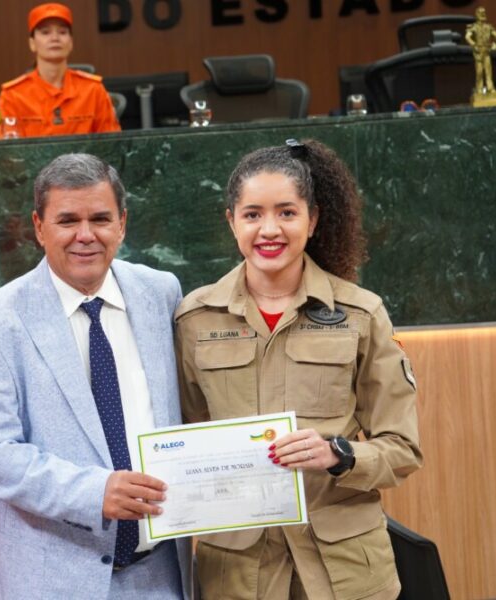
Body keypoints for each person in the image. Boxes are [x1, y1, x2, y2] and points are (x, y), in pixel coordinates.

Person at [175, 139, 423, 600]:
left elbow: (402, 448)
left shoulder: (361, 313)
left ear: (312, 220)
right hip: (237, 573)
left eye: (287, 213)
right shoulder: (195, 319)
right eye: (252, 214)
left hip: (345, 571)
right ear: (231, 221)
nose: (269, 229)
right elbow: (184, 437)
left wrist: (340, 454)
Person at [0, 153, 191, 598]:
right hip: (49, 579)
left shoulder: (162, 293)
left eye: (100, 218)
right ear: (39, 227)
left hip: (160, 576)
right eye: (67, 221)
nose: (86, 235)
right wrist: (94, 491)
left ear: (122, 223)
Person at [0, 3, 121, 139]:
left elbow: (112, 147)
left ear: (71, 42)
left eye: (62, 32)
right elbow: (10, 155)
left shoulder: (93, 90)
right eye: (45, 32)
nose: (55, 38)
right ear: (32, 43)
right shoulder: (13, 95)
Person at [465, 6, 496, 95]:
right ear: (477, 15)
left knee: (488, 71)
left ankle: (490, 88)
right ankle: (479, 89)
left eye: (484, 13)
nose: (483, 15)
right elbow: (467, 37)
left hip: (487, 51)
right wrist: (474, 45)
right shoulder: (473, 27)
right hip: (478, 51)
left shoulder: (489, 27)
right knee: (479, 72)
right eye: (481, 13)